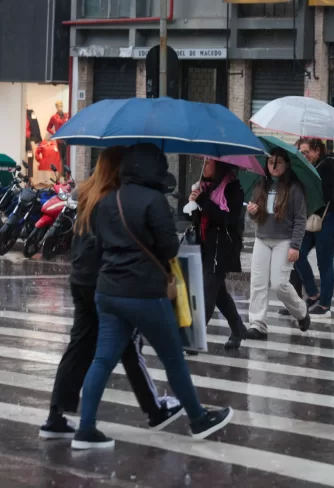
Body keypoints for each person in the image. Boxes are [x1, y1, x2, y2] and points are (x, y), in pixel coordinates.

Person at [73, 143, 233, 449]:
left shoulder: (107, 200)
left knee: (103, 360)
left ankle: (85, 428)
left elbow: (99, 241)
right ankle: (198, 419)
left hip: (107, 292)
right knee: (173, 358)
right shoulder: (155, 200)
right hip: (144, 293)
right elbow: (169, 249)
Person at [39, 147, 182, 441]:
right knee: (128, 347)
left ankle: (56, 415)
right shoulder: (114, 197)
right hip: (106, 281)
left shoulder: (85, 192)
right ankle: (154, 410)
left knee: (80, 346)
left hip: (80, 278)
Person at [245, 148, 311, 340]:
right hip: (262, 239)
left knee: (279, 284)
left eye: (279, 162)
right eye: (270, 161)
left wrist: (295, 246)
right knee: (257, 283)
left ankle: (301, 312)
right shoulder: (260, 185)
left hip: (284, 241)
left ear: (287, 164)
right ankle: (257, 324)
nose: (273, 166)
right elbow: (255, 215)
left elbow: (300, 219)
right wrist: (252, 210)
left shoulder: (294, 188)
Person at [188, 159, 247, 350]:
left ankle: (194, 338)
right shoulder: (206, 187)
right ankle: (238, 328)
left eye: (208, 162)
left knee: (207, 293)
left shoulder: (233, 188)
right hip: (206, 247)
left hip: (222, 249)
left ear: (219, 165)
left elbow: (226, 219)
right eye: (203, 161)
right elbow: (199, 220)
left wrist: (203, 201)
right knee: (218, 292)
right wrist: (193, 204)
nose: (203, 165)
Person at [289, 138, 334, 318]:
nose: (304, 156)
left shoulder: (329, 166)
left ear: (317, 151)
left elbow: (331, 193)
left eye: (307, 152)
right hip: (312, 218)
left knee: (324, 258)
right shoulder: (304, 167)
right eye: (301, 152)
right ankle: (313, 294)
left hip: (332, 217)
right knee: (296, 253)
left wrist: (311, 184)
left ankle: (325, 304)